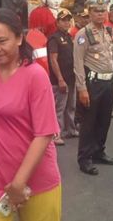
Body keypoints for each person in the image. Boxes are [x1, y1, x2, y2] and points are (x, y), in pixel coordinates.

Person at [0, 9, 61, 221]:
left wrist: (19, 183)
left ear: (20, 38)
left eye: (2, 41)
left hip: (35, 179)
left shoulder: (35, 75)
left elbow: (45, 133)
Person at [74, 0, 113, 175]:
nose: (100, 14)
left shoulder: (110, 32)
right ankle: (85, 158)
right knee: (89, 123)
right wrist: (81, 89)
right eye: (96, 11)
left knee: (104, 121)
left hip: (108, 82)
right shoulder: (83, 34)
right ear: (90, 12)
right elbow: (78, 63)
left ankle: (98, 152)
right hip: (92, 83)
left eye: (103, 11)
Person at [47, 9, 78, 145]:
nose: (66, 23)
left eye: (68, 20)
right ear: (57, 22)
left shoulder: (68, 37)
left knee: (71, 105)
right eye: (63, 20)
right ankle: (55, 134)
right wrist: (60, 79)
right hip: (60, 79)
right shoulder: (54, 38)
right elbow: (53, 60)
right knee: (59, 108)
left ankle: (70, 129)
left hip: (71, 77)